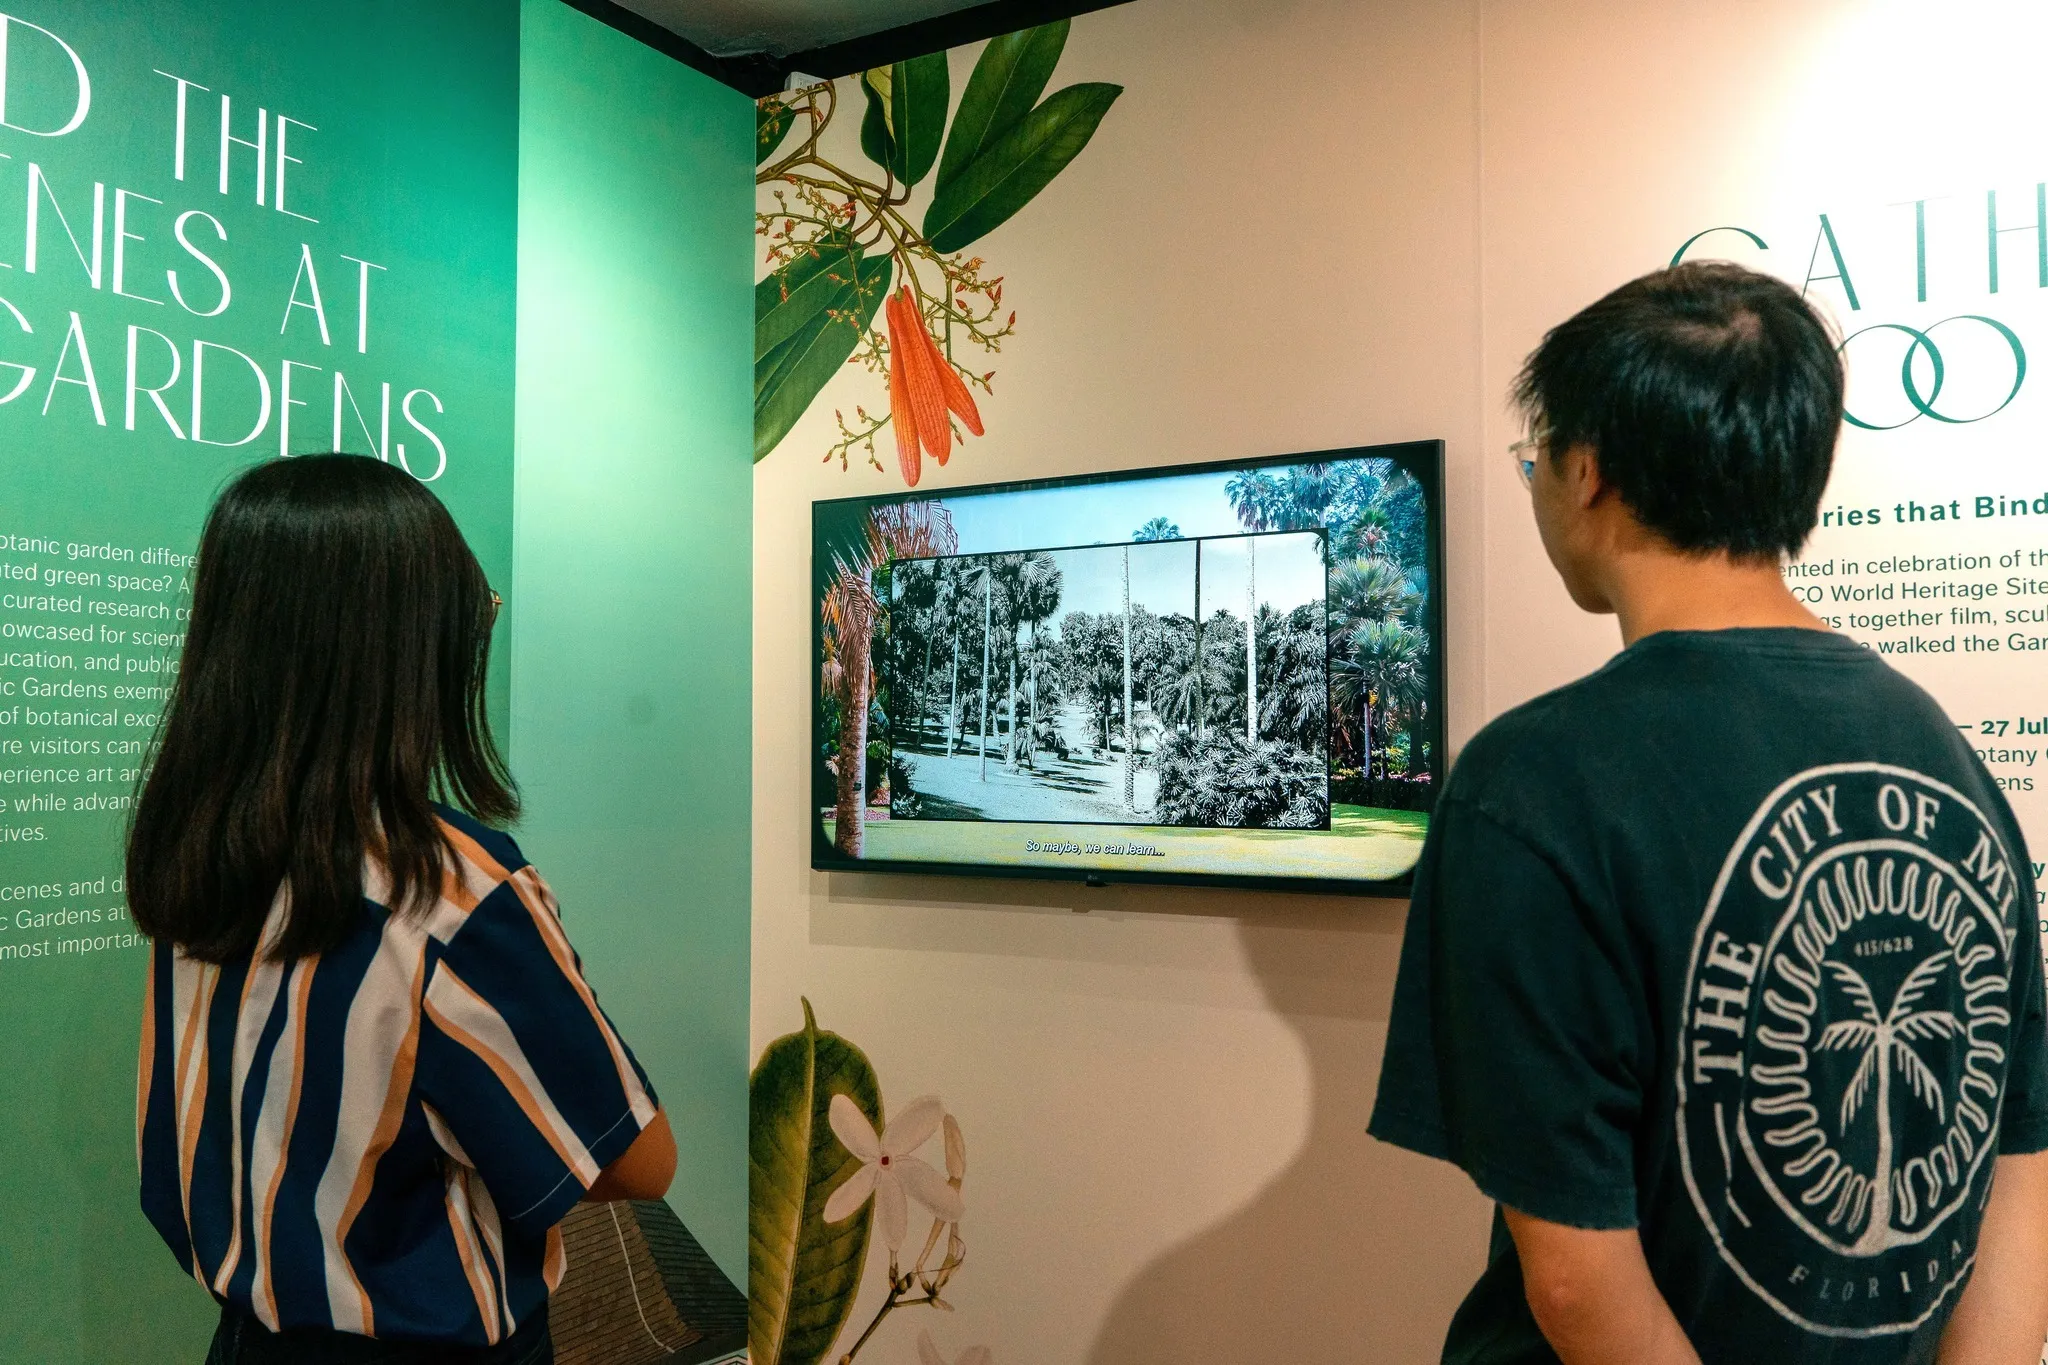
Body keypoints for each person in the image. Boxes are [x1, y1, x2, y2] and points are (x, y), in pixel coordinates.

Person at [1369, 262, 2048, 1364]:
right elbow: (2018, 1165)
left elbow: (1578, 1281)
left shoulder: (1532, 780)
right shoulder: (1942, 754)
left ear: (1585, 469)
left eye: (1535, 456)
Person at [128, 455, 678, 1364]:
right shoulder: (452, 892)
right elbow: (637, 1159)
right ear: (409, 647)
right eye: (474, 613)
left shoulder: (197, 856)